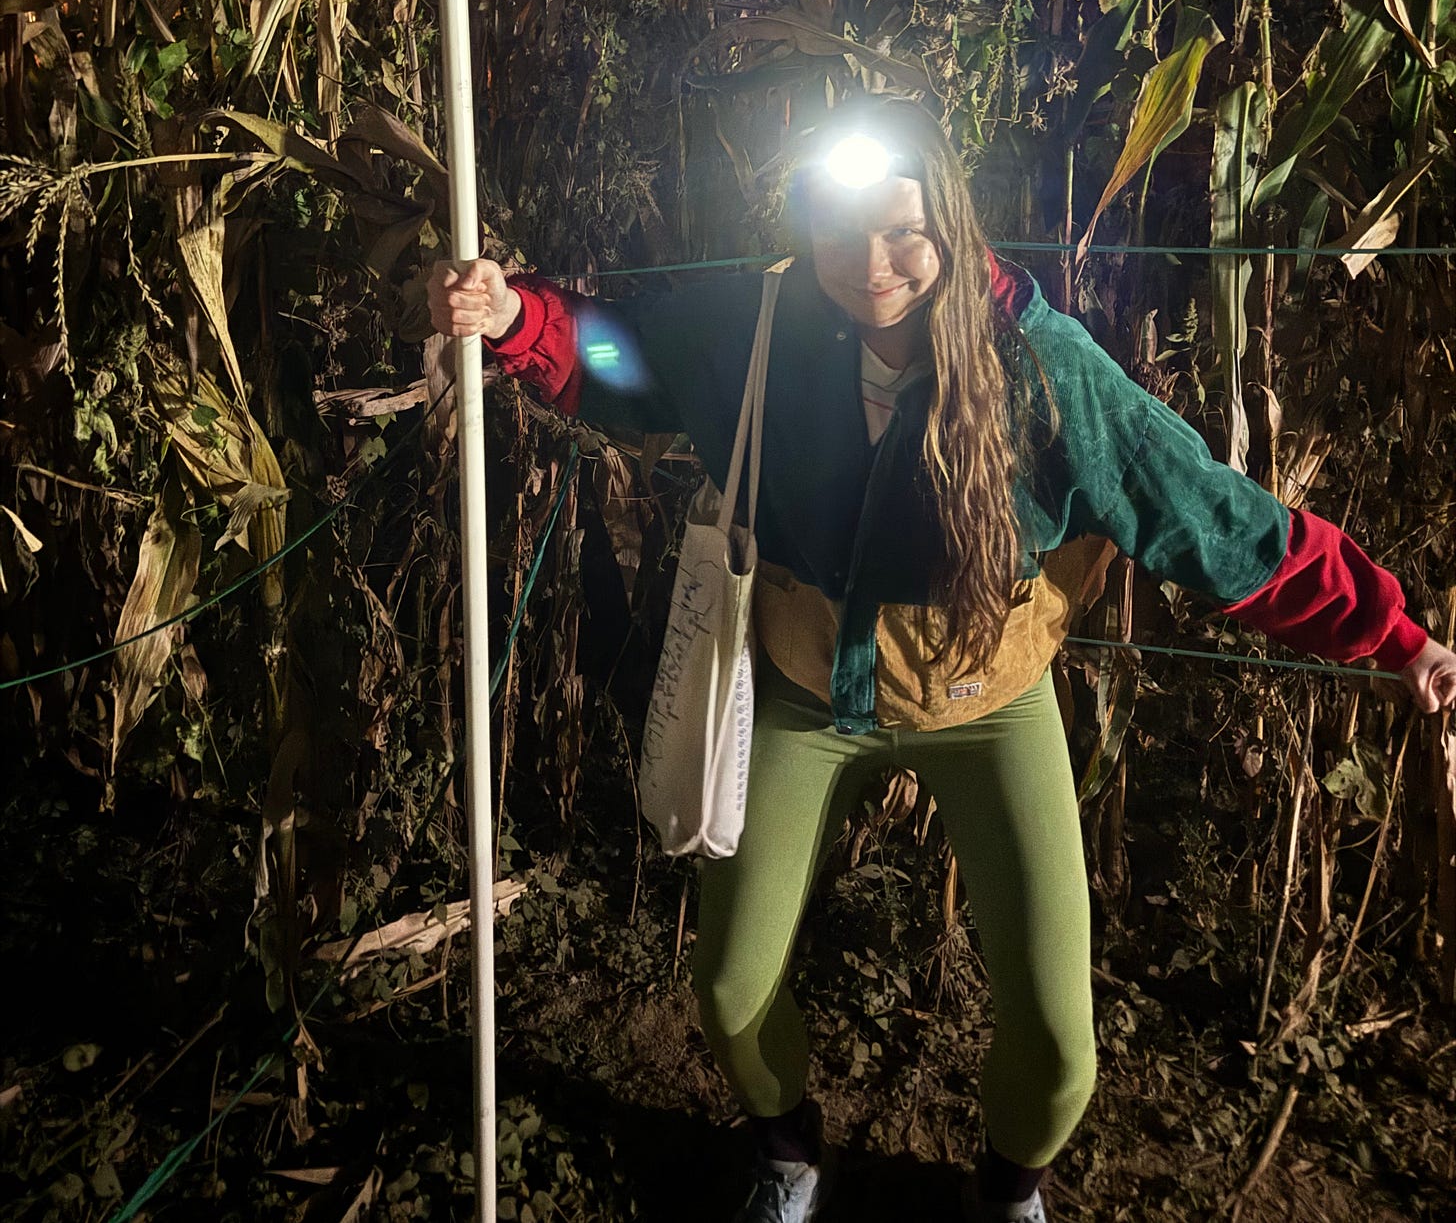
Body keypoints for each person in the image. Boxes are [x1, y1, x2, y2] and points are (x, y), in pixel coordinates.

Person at [427, 98, 1456, 1223]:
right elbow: (622, 354)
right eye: (840, 232)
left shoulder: (1041, 367)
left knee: (1064, 1047)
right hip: (807, 689)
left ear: (951, 226)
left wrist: (1392, 635)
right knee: (726, 991)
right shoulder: (761, 325)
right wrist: (515, 314)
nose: (871, 265)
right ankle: (789, 1154)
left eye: (901, 232)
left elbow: (1207, 514)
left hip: (990, 700)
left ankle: (1011, 1192)